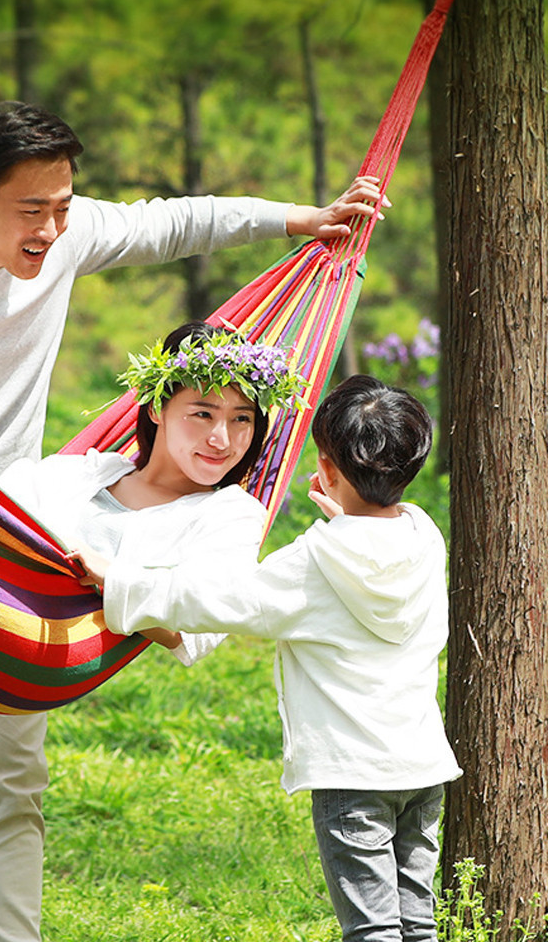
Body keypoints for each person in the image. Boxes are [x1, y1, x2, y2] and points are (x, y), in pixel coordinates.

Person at [0, 98, 389, 942]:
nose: (52, 230)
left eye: (63, 206)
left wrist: (303, 220)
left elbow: (174, 223)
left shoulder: (65, 234)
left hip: (17, 551)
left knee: (11, 785)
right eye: (32, 210)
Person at [87, 375, 462, 942]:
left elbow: (221, 598)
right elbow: (371, 557)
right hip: (422, 767)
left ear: (326, 468)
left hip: (354, 775)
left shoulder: (314, 562)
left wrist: (118, 580)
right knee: (417, 924)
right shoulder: (423, 536)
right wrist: (347, 517)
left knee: (373, 930)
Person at [0, 320, 306, 667]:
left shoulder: (231, 515)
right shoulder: (84, 472)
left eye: (241, 419)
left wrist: (109, 576)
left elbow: (200, 625)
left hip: (40, 659)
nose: (221, 440)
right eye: (203, 414)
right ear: (157, 408)